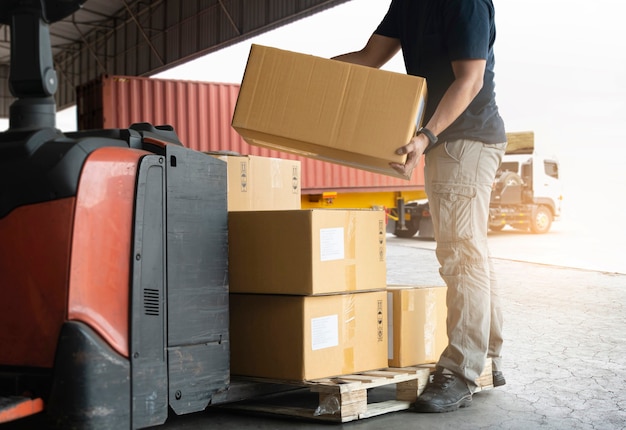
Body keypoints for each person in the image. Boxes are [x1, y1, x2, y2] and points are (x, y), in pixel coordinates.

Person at [333, 0, 508, 413]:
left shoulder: (465, 3)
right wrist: (302, 72)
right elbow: (368, 57)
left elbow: (470, 79)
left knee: (461, 256)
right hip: (446, 140)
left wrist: (425, 136)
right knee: (472, 253)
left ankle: (462, 371)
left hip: (467, 138)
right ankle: (490, 357)